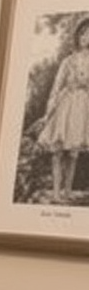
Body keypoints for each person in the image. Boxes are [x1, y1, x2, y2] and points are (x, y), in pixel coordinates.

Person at [37, 14, 89, 203]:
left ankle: (67, 191)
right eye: (83, 35)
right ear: (78, 37)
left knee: (73, 152)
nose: (86, 39)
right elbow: (57, 86)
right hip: (65, 106)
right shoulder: (68, 61)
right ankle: (57, 192)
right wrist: (48, 112)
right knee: (58, 150)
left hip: (82, 108)